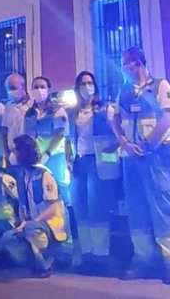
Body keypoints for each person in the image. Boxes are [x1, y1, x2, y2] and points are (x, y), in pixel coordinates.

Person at [111, 47, 170, 285]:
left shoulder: (161, 86)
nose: (124, 69)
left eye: (126, 64)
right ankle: (143, 258)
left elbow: (167, 118)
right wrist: (125, 143)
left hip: (155, 155)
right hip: (131, 157)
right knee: (136, 208)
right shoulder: (123, 91)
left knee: (162, 206)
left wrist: (146, 143)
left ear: (137, 64)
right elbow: (115, 120)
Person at [68, 70, 119, 273]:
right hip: (78, 163)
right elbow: (68, 138)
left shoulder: (104, 109)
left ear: (95, 86)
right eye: (82, 83)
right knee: (80, 209)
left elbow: (118, 133)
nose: (86, 86)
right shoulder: (73, 112)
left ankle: (101, 255)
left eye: (90, 83)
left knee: (96, 208)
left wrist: (113, 146)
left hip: (97, 163)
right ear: (77, 87)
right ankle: (87, 254)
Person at [3, 135, 69, 278]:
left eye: (17, 151)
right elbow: (22, 205)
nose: (14, 155)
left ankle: (47, 260)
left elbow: (53, 209)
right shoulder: (22, 175)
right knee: (8, 238)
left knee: (30, 229)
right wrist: (22, 224)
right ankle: (33, 261)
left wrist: (31, 223)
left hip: (50, 226)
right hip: (32, 224)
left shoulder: (44, 173)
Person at [23, 76, 70, 196]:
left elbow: (60, 135)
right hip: (37, 158)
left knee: (60, 188)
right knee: (40, 190)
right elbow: (29, 137)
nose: (39, 90)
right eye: (36, 87)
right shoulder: (29, 113)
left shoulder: (57, 110)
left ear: (48, 89)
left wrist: (47, 153)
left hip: (54, 157)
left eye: (42, 87)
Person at [0, 74, 33, 165]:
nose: (10, 91)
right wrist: (6, 152)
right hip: (13, 154)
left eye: (13, 88)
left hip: (30, 152)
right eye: (8, 89)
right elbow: (4, 131)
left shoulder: (33, 105)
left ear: (23, 87)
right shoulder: (8, 107)